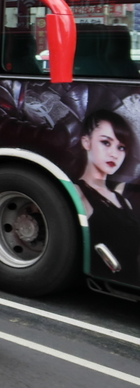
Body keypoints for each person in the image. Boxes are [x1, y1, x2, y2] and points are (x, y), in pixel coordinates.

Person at [74, 110, 140, 281]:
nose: (114, 154)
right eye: (106, 142)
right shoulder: (77, 193)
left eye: (121, 147)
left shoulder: (122, 200)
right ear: (86, 142)